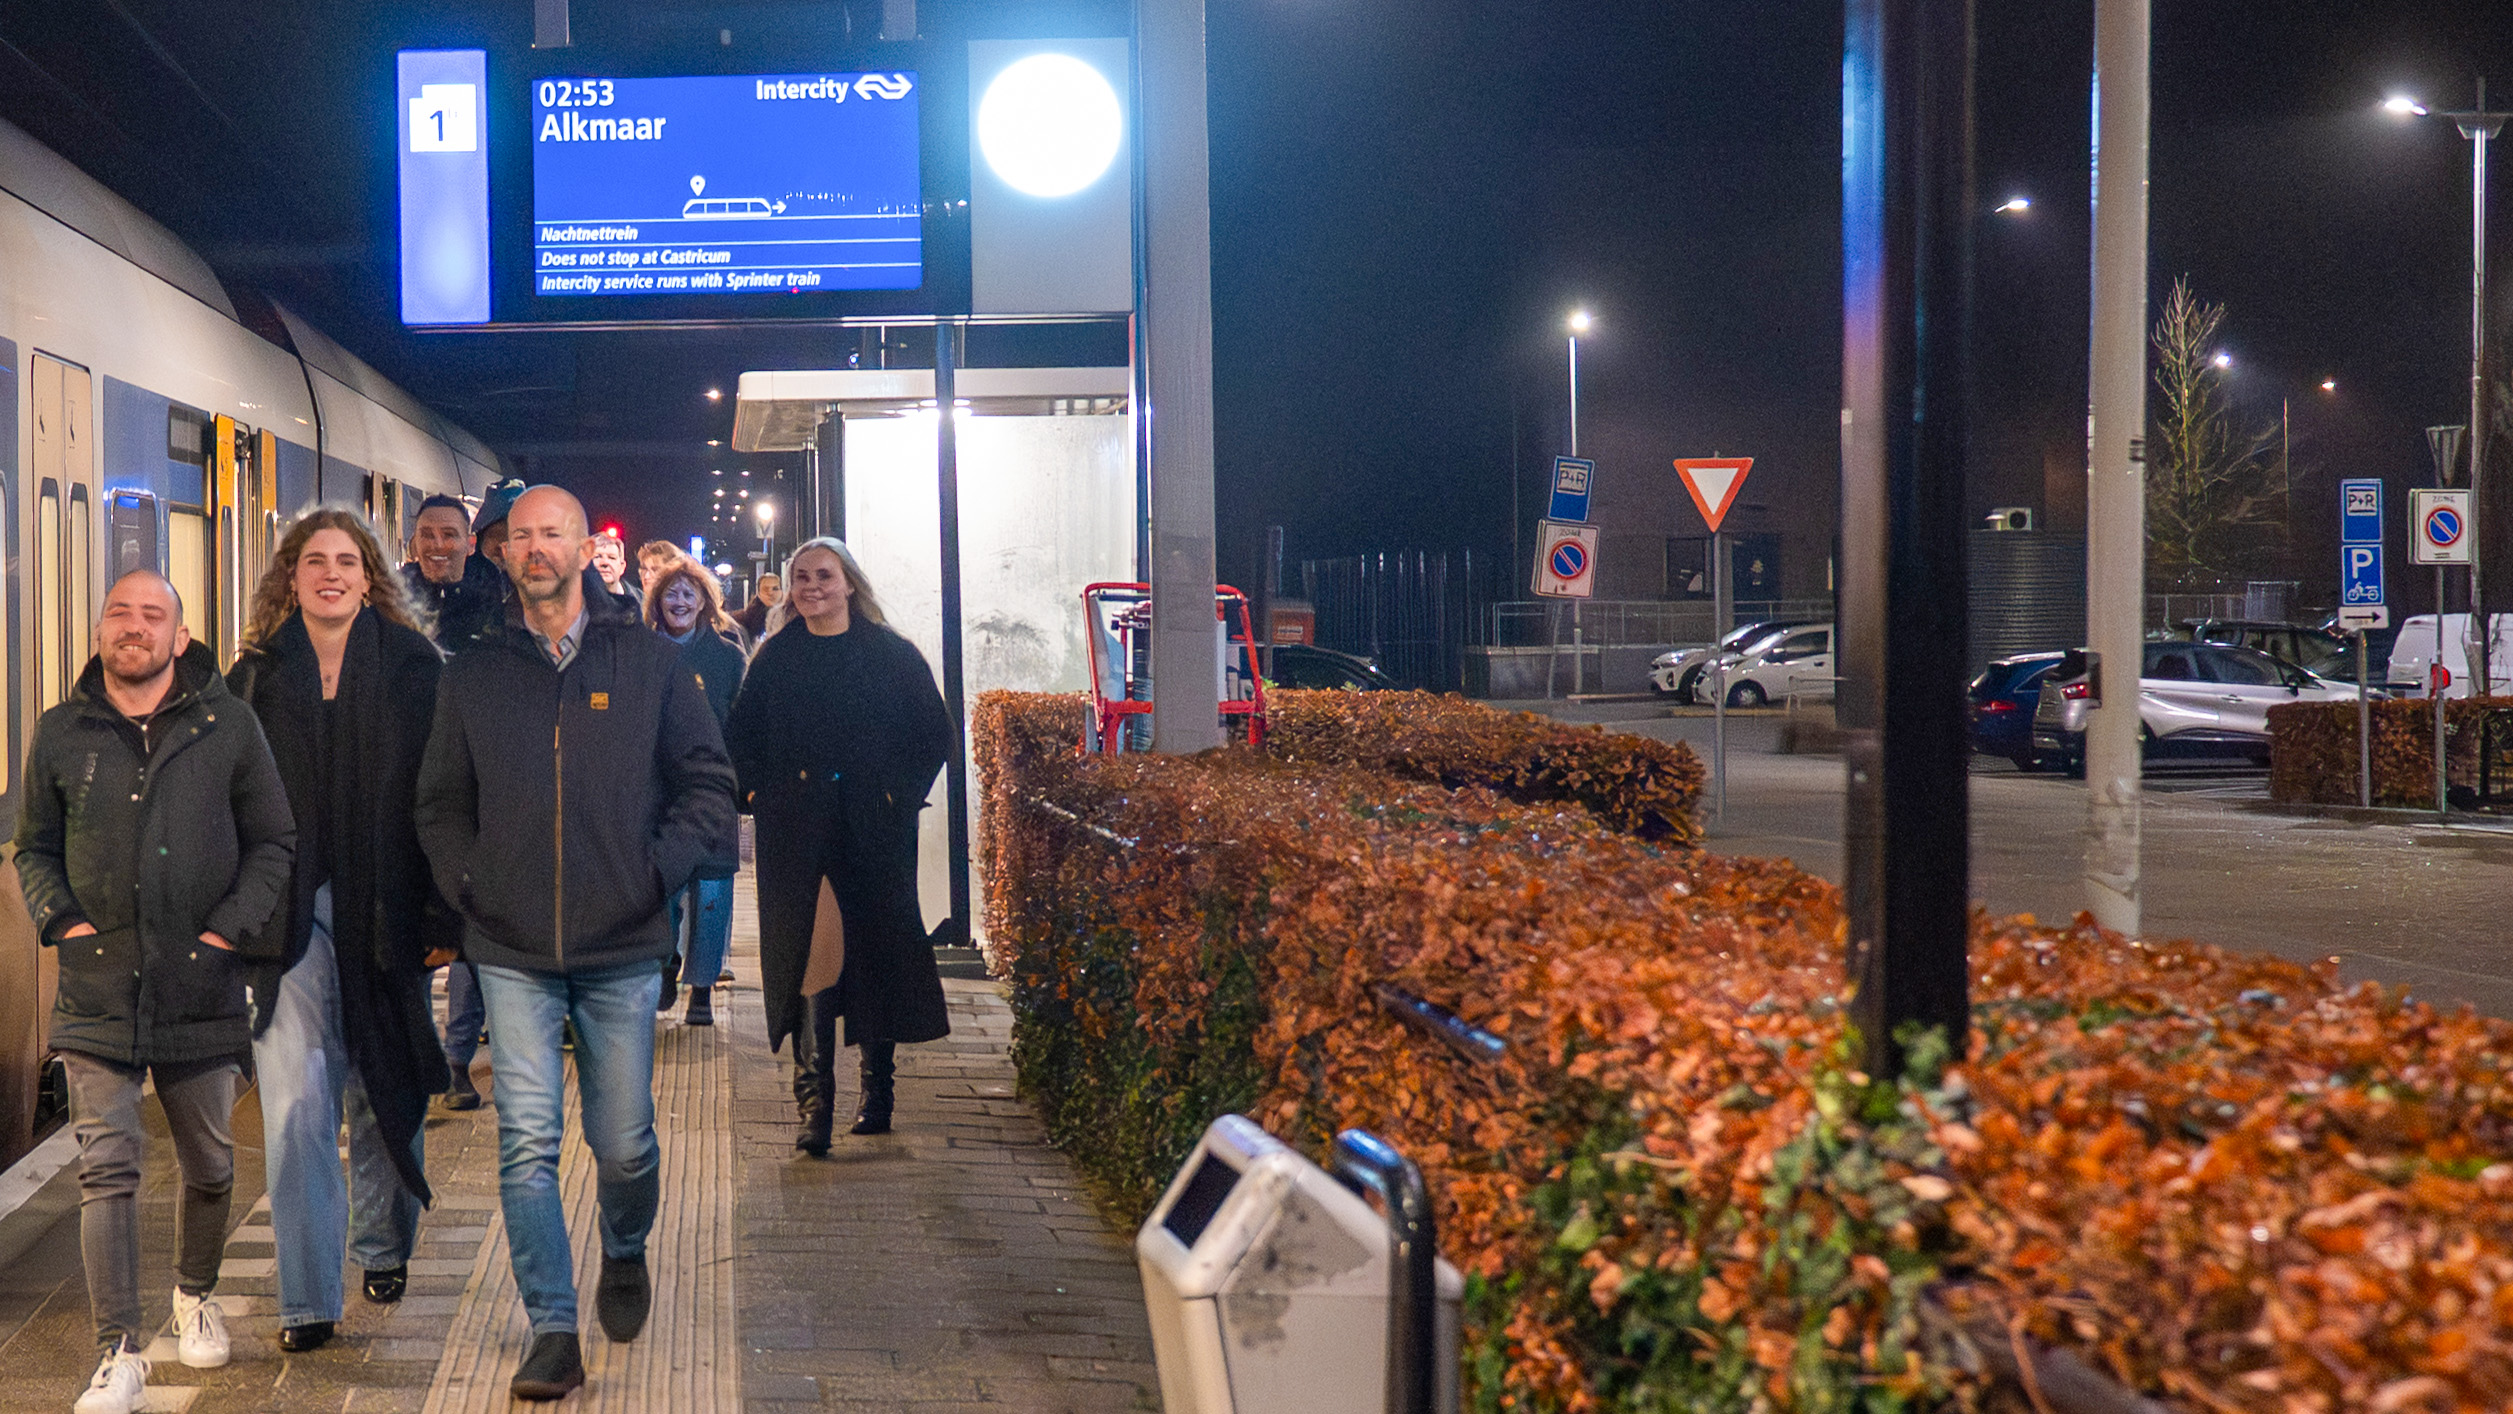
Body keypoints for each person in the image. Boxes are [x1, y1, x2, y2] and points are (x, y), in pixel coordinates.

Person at [415, 486, 735, 1401]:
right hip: (510, 946)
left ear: (585, 546)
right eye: (520, 536)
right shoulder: (472, 670)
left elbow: (707, 782)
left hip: (622, 944)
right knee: (526, 1141)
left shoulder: (650, 662)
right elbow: (439, 803)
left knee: (624, 1141)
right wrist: (470, 886)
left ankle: (624, 1247)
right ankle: (552, 1327)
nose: (536, 548)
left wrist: (649, 877)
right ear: (502, 553)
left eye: (553, 533)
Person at [14, 572, 294, 1414]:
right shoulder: (62, 732)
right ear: (100, 630)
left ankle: (195, 1292)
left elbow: (273, 840)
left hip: (199, 988)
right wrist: (62, 925)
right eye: (118, 614)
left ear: (180, 637)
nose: (132, 628)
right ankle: (117, 1354)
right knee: (109, 1170)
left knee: (210, 1165)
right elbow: (33, 847)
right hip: (97, 992)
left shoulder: (228, 725)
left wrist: (224, 935)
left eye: (151, 616)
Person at [229, 509, 455, 1353]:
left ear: (370, 577)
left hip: (387, 908)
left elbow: (441, 798)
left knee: (380, 1077)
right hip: (284, 917)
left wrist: (441, 915)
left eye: (347, 560)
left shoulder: (413, 668)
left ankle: (382, 1241)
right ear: (292, 577)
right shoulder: (252, 678)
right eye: (313, 560)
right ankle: (308, 1299)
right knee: (294, 1103)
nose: (330, 573)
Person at [724, 538, 952, 1156]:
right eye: (801, 577)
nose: (811, 586)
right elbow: (741, 735)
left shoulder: (891, 655)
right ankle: (814, 1102)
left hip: (873, 830)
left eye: (823, 575)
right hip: (798, 831)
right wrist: (755, 795)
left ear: (850, 582)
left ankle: (878, 1090)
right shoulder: (776, 657)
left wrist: (898, 798)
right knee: (811, 957)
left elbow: (933, 733)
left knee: (877, 948)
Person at [435, 476, 528, 1110]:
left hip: (526, 798)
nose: (506, 551)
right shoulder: (463, 605)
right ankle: (456, 1058)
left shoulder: (570, 602)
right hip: (471, 791)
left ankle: (500, 1051)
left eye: (516, 537)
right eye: (496, 539)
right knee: (472, 939)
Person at [645, 556, 746, 1026]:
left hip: (712, 786)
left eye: (689, 593)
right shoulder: (641, 652)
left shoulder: (727, 656)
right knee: (660, 882)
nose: (679, 601)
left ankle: (702, 987)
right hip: (654, 788)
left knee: (712, 889)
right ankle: (664, 963)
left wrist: (742, 785)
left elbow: (743, 723)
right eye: (671, 593)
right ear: (657, 600)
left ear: (705, 601)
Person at [399, 493, 500, 648]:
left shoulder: (492, 597)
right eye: (427, 535)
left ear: (470, 544)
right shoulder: (391, 594)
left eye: (449, 535)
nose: (437, 545)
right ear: (415, 541)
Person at [590, 528, 640, 613]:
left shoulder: (641, 603)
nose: (605, 563)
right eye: (597, 556)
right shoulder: (570, 601)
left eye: (611, 558)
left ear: (622, 567)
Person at [731, 570, 781, 641]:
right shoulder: (744, 620)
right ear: (759, 593)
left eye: (775, 588)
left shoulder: (791, 619)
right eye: (765, 589)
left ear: (782, 592)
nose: (770, 592)